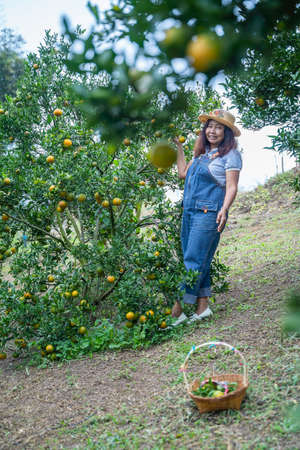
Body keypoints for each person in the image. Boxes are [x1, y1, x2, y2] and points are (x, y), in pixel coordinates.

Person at [171, 109, 242, 325]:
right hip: (190, 212)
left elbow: (232, 187)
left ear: (226, 132)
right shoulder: (201, 156)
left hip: (209, 213)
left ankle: (176, 311)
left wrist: (224, 209)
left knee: (193, 260)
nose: (212, 131)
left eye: (218, 127)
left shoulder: (231, 156)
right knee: (198, 259)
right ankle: (203, 309)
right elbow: (182, 173)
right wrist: (179, 147)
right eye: (210, 126)